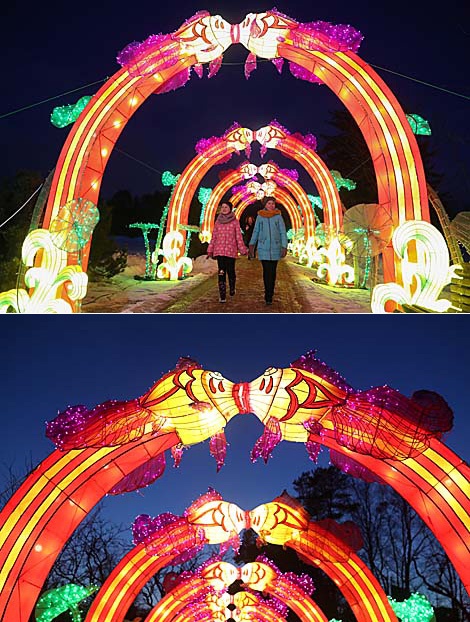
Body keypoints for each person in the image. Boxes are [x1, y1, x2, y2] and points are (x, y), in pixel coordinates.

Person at [249, 196, 287, 305]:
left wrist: (284, 246)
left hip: (276, 247)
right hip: (263, 247)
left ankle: (270, 294)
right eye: (269, 203)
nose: (271, 205)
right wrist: (252, 245)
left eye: (273, 203)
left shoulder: (278, 217)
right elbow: (256, 231)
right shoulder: (260, 216)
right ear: (265, 205)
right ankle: (267, 295)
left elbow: (282, 232)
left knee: (273, 272)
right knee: (266, 272)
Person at [207, 200, 248, 302]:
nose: (224, 209)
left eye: (226, 207)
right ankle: (222, 294)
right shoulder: (218, 221)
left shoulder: (235, 221)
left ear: (230, 209)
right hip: (219, 250)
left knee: (230, 270)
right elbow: (214, 237)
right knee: (221, 272)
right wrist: (210, 249)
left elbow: (238, 236)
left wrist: (242, 249)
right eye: (223, 207)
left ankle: (232, 286)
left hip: (231, 250)